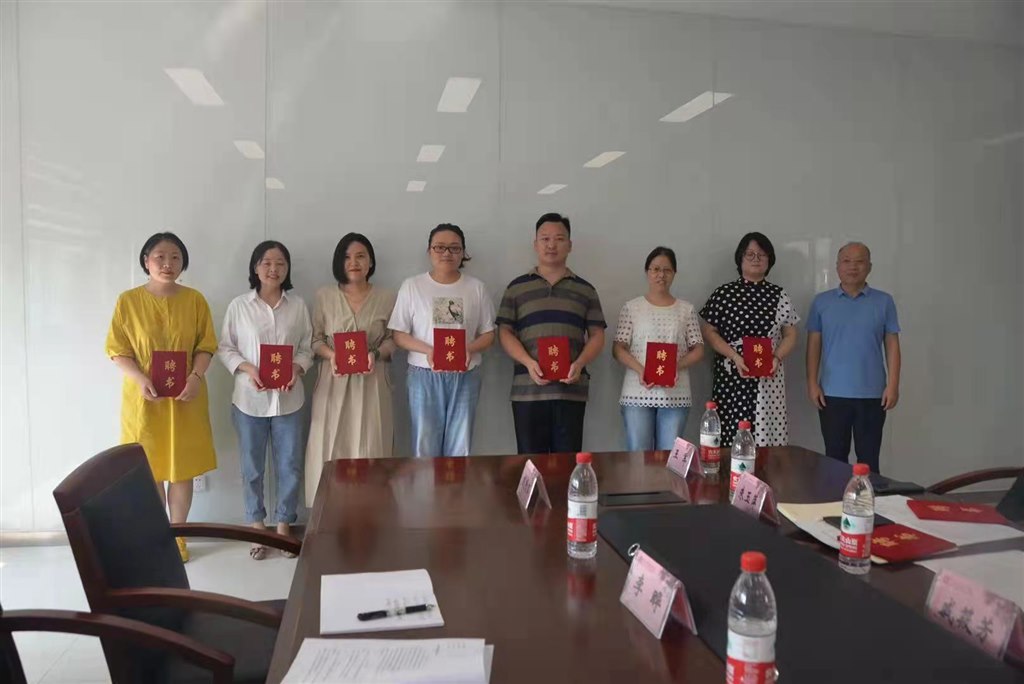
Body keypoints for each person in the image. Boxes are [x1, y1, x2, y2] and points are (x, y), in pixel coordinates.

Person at [105, 232, 217, 562]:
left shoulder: (195, 300)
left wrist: (196, 377)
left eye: (175, 257)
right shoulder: (127, 301)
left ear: (183, 263)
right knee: (149, 469)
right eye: (160, 257)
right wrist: (139, 378)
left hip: (186, 397)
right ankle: (156, 539)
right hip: (145, 399)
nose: (168, 264)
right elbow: (117, 350)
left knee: (182, 469)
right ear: (146, 261)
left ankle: (178, 538)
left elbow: (206, 345)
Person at [217, 240, 313, 559]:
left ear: (287, 269)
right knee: (252, 468)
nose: (274, 268)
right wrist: (248, 369)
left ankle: (284, 526)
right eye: (267, 262)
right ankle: (257, 527)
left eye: (280, 263)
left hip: (289, 400)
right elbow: (226, 347)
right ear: (255, 267)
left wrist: (296, 369)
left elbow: (307, 346)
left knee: (289, 466)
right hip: (249, 400)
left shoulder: (298, 305)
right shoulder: (239, 306)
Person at [496, 213, 606, 454]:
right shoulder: (516, 288)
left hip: (570, 391)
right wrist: (528, 362)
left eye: (559, 238)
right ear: (535, 244)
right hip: (527, 391)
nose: (551, 245)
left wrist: (580, 363)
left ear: (570, 245)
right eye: (545, 238)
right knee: (530, 463)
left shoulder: (585, 290)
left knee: (567, 463)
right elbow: (504, 332)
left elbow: (597, 334)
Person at [388, 224, 496, 457]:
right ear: (429, 251)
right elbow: (399, 334)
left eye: (454, 248)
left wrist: (468, 348)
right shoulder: (412, 286)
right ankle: (425, 484)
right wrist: (429, 350)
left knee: (461, 445)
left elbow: (488, 334)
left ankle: (456, 484)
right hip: (424, 374)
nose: (447, 253)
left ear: (463, 253)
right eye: (439, 247)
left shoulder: (476, 288)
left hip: (465, 374)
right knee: (424, 445)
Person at [305, 233, 396, 504]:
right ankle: (328, 513)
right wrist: (331, 355)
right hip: (333, 381)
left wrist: (375, 354)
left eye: (360, 256)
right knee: (330, 444)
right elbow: (315, 340)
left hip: (372, 380)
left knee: (372, 444)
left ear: (371, 261)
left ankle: (371, 512)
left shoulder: (387, 297)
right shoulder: (324, 296)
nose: (353, 262)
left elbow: (393, 339)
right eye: (346, 257)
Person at [806, 242, 900, 473]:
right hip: (831, 394)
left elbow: (892, 345)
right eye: (846, 261)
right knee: (834, 458)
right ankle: (835, 497)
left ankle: (868, 497)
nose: (852, 267)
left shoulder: (884, 302)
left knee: (869, 460)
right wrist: (812, 383)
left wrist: (893, 385)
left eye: (859, 261)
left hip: (873, 394)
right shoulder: (821, 302)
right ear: (837, 266)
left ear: (869, 267)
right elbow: (814, 345)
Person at [699, 232, 799, 448]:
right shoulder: (724, 293)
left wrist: (776, 357)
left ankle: (765, 471)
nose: (756, 259)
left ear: (769, 259)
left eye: (762, 254)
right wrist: (734, 356)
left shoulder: (779, 295)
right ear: (740, 258)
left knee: (767, 437)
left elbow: (791, 334)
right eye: (750, 254)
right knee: (731, 432)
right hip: (732, 375)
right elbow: (709, 332)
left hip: (768, 375)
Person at [613, 247, 704, 451]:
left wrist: (674, 367)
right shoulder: (632, 307)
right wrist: (641, 370)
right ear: (647, 272)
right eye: (655, 269)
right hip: (637, 393)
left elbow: (698, 349)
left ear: (674, 273)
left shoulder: (686, 309)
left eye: (667, 270)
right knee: (638, 455)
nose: (661, 275)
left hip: (675, 393)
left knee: (670, 457)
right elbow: (618, 348)